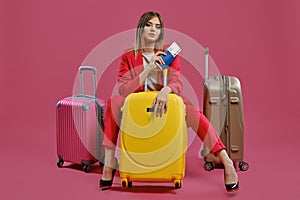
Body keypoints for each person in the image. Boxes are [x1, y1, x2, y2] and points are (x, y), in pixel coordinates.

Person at [99, 11, 239, 191]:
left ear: (161, 32)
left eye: (157, 27)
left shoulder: (168, 53)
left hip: (166, 99)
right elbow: (124, 88)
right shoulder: (128, 55)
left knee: (194, 113)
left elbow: (177, 81)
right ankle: (109, 161)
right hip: (137, 102)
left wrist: (166, 90)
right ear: (141, 28)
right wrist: (148, 69)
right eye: (149, 25)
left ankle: (225, 159)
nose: (153, 30)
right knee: (113, 102)